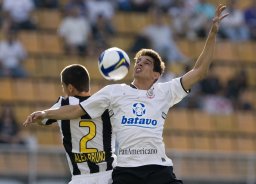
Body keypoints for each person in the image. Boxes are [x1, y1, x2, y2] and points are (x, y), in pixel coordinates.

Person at [24, 4, 228, 184]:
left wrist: (212, 33)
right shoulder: (114, 92)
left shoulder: (166, 90)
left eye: (146, 62)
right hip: (126, 171)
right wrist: (46, 113)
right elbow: (77, 109)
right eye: (138, 61)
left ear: (156, 74)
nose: (139, 63)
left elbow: (200, 71)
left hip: (158, 168)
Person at [24, 64, 116, 184]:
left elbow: (43, 121)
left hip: (81, 178)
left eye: (63, 86)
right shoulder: (105, 103)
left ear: (70, 88)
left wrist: (40, 115)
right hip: (110, 176)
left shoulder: (63, 104)